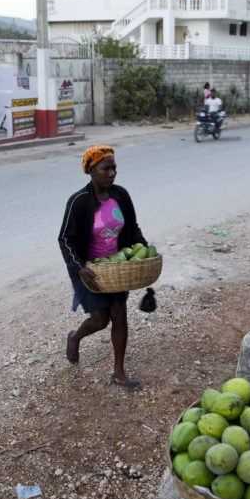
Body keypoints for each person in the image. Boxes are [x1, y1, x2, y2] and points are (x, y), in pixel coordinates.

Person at [58, 145, 147, 389]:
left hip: (117, 268)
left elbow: (132, 229)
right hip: (88, 269)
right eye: (105, 168)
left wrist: (144, 250)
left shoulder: (121, 195)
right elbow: (65, 238)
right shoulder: (79, 201)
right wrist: (78, 267)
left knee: (120, 315)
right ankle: (75, 337)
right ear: (91, 170)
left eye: (114, 168)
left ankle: (119, 373)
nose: (111, 173)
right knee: (100, 319)